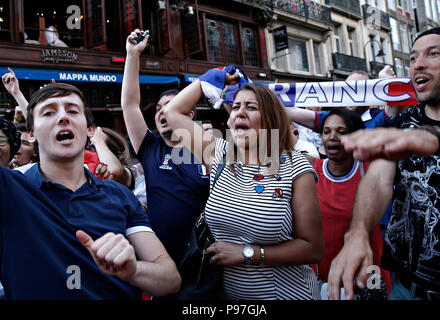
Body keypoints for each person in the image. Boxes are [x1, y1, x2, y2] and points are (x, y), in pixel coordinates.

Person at [0, 82, 180, 299]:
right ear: (31, 134)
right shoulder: (9, 188)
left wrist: (134, 270)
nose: (63, 118)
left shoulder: (120, 196)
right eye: (48, 112)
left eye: (73, 110)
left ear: (89, 130)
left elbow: (170, 279)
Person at [162, 62, 324, 299]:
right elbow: (173, 112)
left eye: (251, 107)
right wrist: (213, 78)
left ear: (270, 118)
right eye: (236, 106)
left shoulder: (295, 166)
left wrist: (248, 253)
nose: (240, 112)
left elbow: (313, 248)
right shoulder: (219, 154)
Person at [327, 27, 440, 300]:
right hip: (407, 286)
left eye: (433, 53)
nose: (419, 63)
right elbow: (379, 179)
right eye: (413, 57)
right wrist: (358, 233)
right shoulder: (402, 124)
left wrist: (436, 140)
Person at [121, 30, 210, 268]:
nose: (161, 112)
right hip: (159, 259)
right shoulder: (150, 147)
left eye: (170, 107)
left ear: (188, 115)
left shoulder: (208, 149)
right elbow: (130, 105)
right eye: (158, 108)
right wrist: (132, 55)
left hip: (202, 261)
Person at [308, 109, 391, 298]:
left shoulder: (372, 169)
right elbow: (267, 151)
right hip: (321, 277)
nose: (332, 137)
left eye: (341, 132)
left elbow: (392, 113)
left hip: (367, 275)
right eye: (326, 131)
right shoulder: (310, 168)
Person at [90, 126, 147, 210]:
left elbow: (114, 173)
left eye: (93, 146)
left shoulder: (136, 171)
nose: (89, 151)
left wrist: (99, 141)